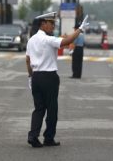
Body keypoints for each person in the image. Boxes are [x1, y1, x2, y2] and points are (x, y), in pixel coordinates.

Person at [26, 12, 89, 148]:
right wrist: (80, 30)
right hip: (49, 77)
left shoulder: (31, 40)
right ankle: (49, 138)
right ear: (43, 24)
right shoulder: (48, 39)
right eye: (51, 23)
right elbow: (66, 42)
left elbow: (28, 60)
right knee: (52, 109)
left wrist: (30, 76)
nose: (53, 26)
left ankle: (33, 136)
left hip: (36, 77)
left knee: (38, 109)